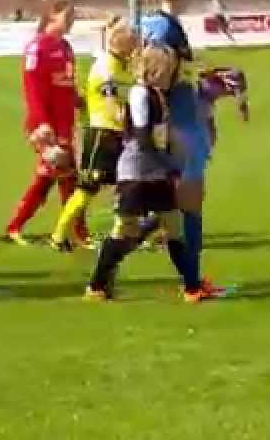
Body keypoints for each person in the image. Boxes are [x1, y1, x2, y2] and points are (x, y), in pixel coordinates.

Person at [86, 44, 210, 302]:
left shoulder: (155, 93)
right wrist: (169, 162)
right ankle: (97, 285)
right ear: (154, 71)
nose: (171, 76)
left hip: (155, 172)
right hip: (137, 174)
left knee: (174, 228)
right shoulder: (140, 94)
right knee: (124, 231)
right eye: (168, 71)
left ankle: (192, 288)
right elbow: (143, 138)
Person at [141, 0, 229, 299]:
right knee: (189, 206)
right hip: (179, 126)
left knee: (177, 206)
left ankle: (191, 278)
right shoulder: (165, 28)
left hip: (179, 123)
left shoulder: (152, 23)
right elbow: (158, 79)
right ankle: (192, 282)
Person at [50, 17, 138, 251]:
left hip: (119, 134)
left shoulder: (122, 65)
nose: (136, 48)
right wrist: (127, 121)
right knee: (88, 187)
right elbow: (111, 102)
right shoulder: (106, 65)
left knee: (127, 184)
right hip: (103, 133)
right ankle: (59, 234)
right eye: (133, 43)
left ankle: (124, 233)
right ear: (122, 43)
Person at [6, 0, 88, 247]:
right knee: (65, 177)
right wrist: (41, 123)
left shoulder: (65, 47)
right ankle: (73, 231)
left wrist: (79, 100)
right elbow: (32, 90)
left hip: (64, 123)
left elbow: (66, 82)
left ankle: (18, 226)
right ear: (52, 16)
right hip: (46, 124)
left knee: (55, 177)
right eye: (68, 16)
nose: (72, 21)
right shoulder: (37, 48)